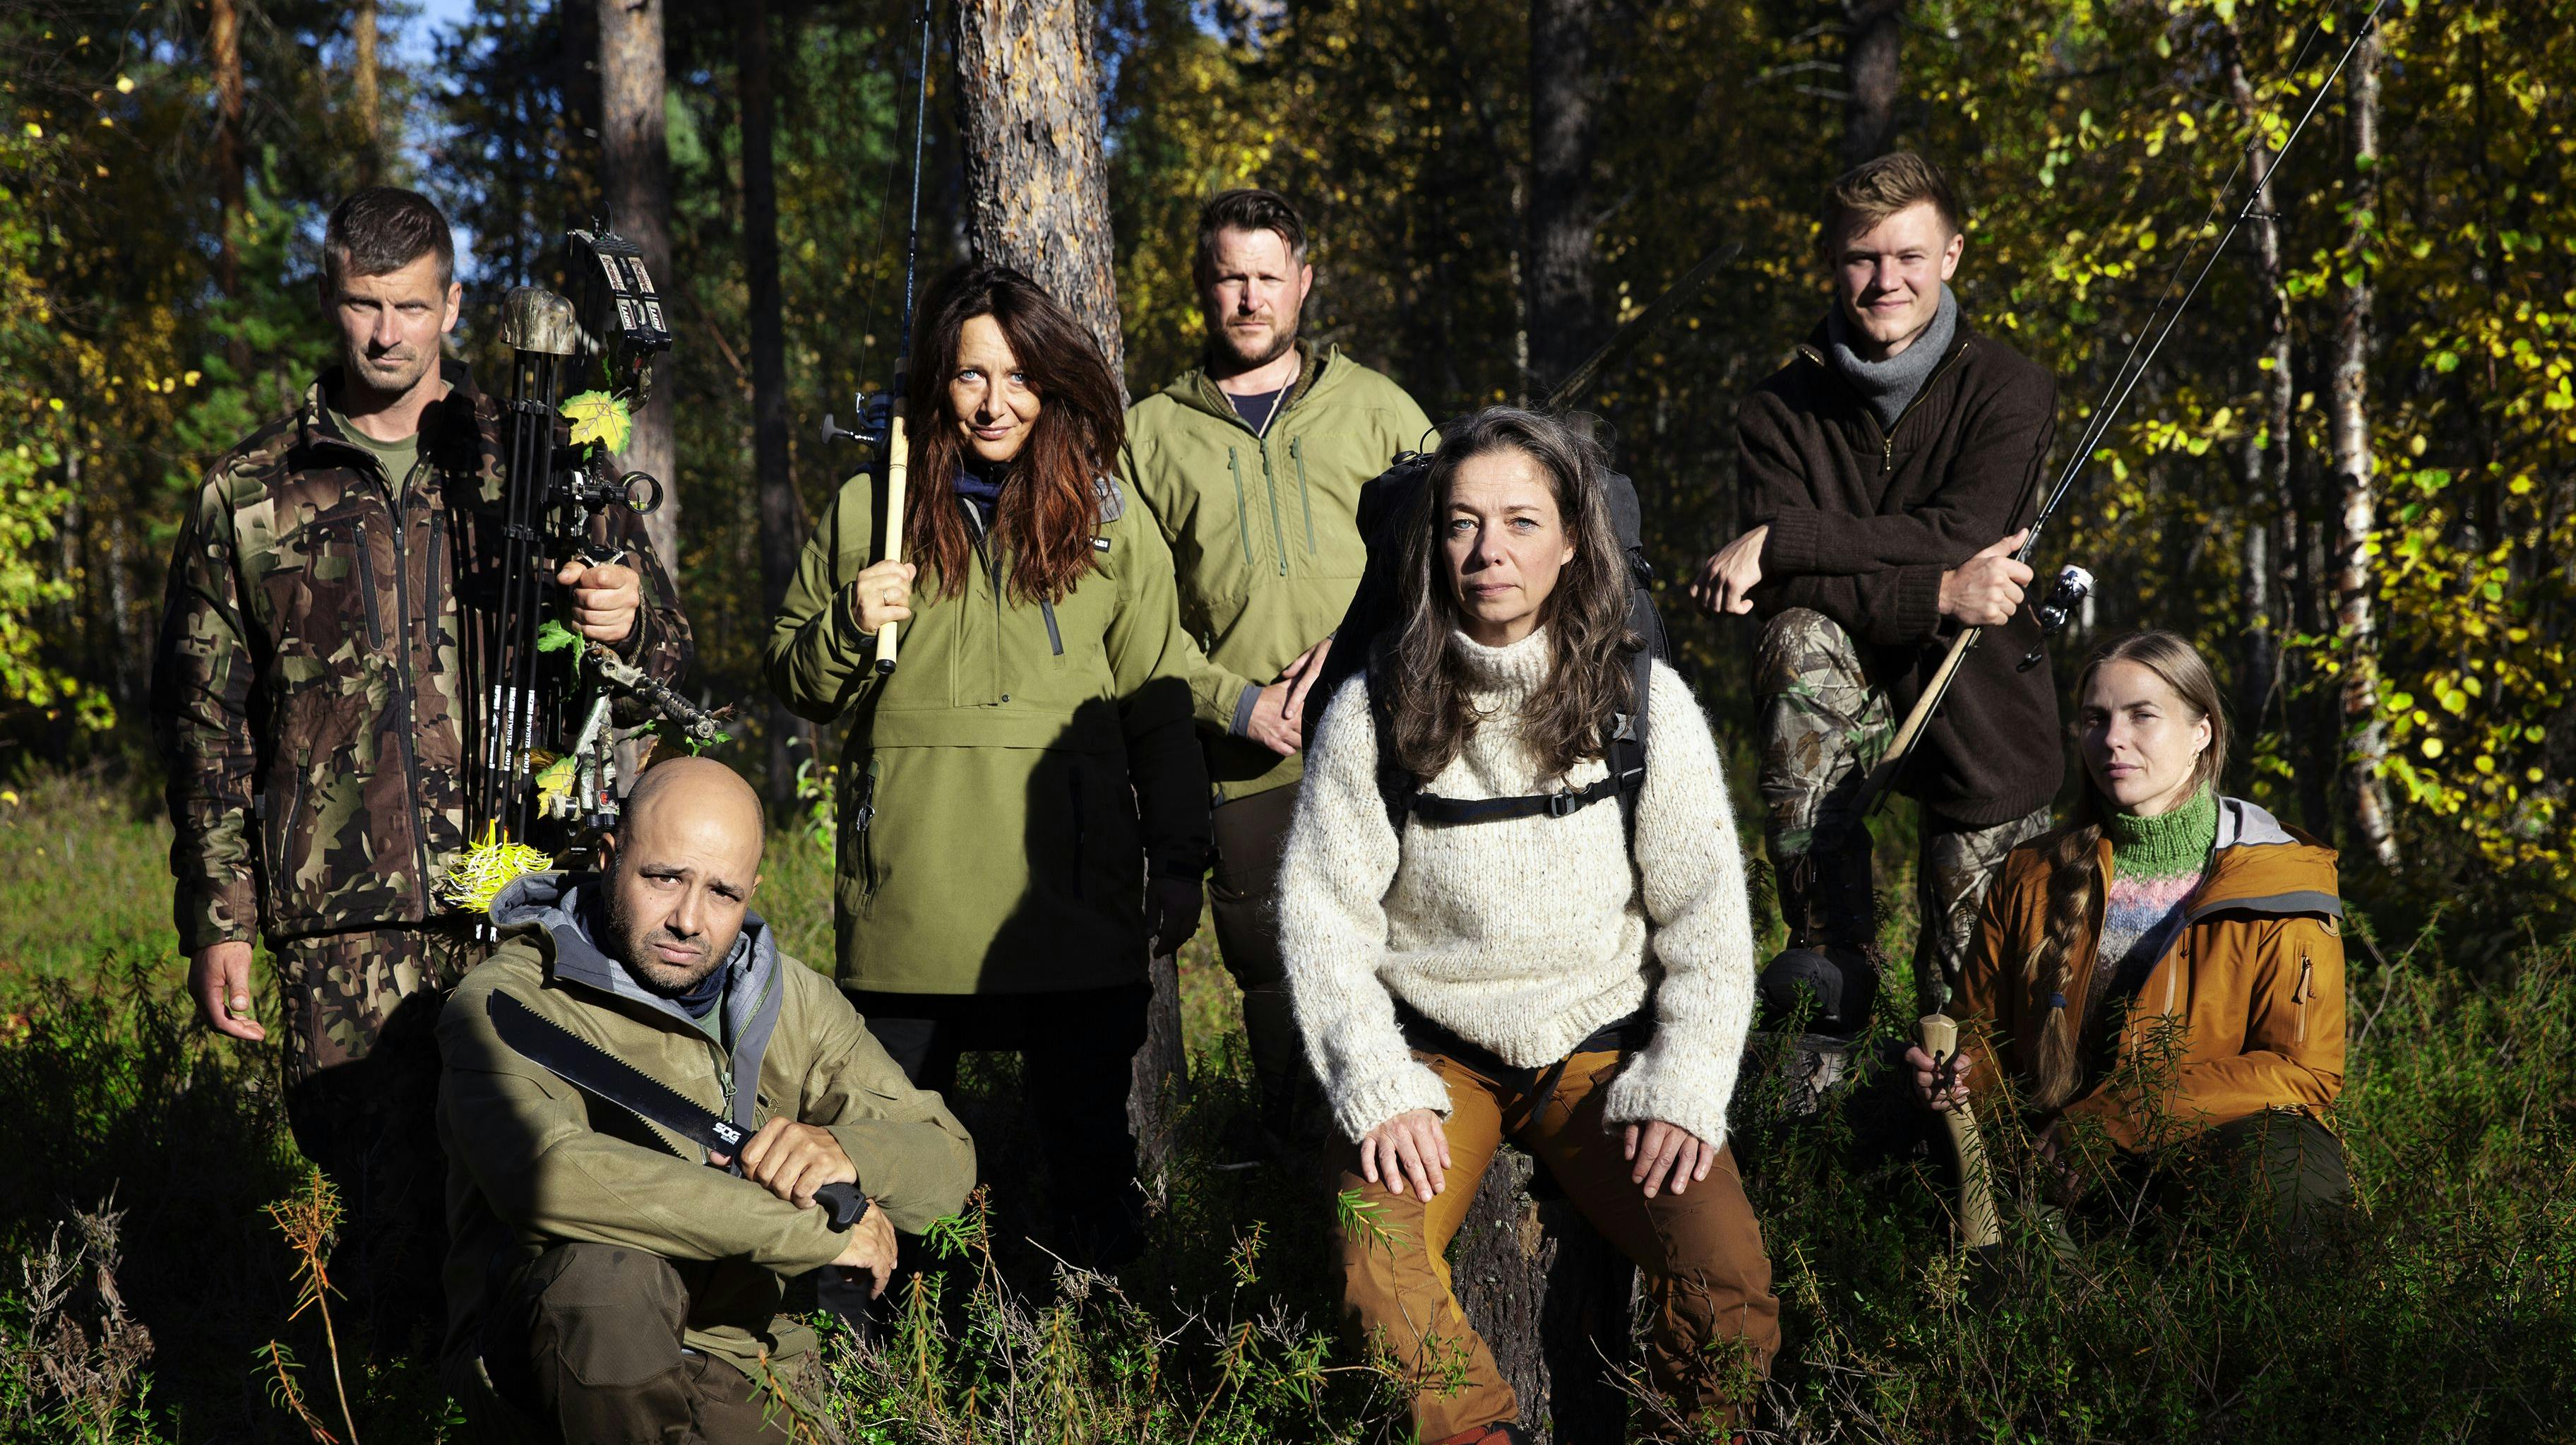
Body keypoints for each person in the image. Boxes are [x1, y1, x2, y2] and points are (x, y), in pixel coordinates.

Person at [150, 185, 690, 1338]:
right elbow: (202, 724)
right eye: (363, 304)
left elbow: (668, 648)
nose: (386, 333)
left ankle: (532, 1398)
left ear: (452, 304)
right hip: (341, 920)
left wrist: (625, 614)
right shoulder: (250, 491)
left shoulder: (536, 456)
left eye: (409, 305)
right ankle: (395, 1405)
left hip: (524, 894)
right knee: (384, 1223)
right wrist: (220, 916)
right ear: (330, 300)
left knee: (549, 1202)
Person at [1281, 408, 1780, 1444]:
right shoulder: (1373, 710)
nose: (1488, 551)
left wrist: (1686, 1081)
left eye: (1520, 521)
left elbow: (1707, 920)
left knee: (1728, 1281)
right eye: (1462, 523)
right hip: (1436, 1052)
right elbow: (1324, 919)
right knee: (1376, 1253)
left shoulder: (1644, 702)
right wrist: (1376, 1084)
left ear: (1571, 541)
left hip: (1600, 1047)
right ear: (1433, 543)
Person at [765, 262, 1210, 1270]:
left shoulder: (1112, 520)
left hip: (1072, 911)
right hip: (907, 913)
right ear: (938, 382)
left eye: (1019, 377)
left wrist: (1181, 857)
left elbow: (1159, 704)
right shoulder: (870, 510)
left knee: (1089, 1166)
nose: (995, 402)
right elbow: (797, 680)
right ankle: (902, 1347)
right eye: (971, 375)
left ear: (1051, 384)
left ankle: (1101, 1343)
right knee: (893, 1170)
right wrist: (850, 619)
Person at [438, 758, 977, 1442]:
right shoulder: (510, 1003)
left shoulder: (793, 1001)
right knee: (606, 1283)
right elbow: (541, 1174)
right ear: (608, 858)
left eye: (723, 893)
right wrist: (810, 1231)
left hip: (742, 1355)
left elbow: (947, 1158)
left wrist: (847, 1153)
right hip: (555, 1359)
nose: (689, 920)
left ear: (752, 893)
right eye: (664, 878)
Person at [1688, 151, 2060, 1049]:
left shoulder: (2011, 388)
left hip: (1981, 709)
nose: (1886, 280)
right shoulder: (1777, 410)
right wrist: (1940, 590)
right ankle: (1833, 953)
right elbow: (1792, 591)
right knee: (1795, 632)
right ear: (1833, 259)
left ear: (1952, 255)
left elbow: (1962, 527)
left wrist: (1788, 538)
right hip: (1833, 691)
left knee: (1970, 1025)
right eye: (1863, 257)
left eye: (1909, 256)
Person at [1125, 188, 1435, 1149]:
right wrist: (1238, 703)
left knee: (1422, 964)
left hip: (1394, 742)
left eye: (1269, 276)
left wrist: (1367, 641)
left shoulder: (1380, 411)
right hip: (1253, 764)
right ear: (1202, 285)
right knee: (1282, 982)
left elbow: (1454, 561)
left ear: (1304, 281)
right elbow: (1132, 622)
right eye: (1232, 278)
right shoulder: (1149, 436)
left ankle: (1433, 1179)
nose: (1251, 298)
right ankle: (1302, 1188)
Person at [1908, 631, 2349, 1244]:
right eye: (2096, 719)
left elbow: (2302, 1071)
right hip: (2052, 1169)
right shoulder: (2032, 872)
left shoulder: (2278, 879)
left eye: (2143, 715)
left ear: (2202, 732)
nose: (2113, 738)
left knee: (2293, 1173)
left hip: (2203, 1166)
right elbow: (1983, 1032)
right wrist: (1960, 1077)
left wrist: (2117, 1118)